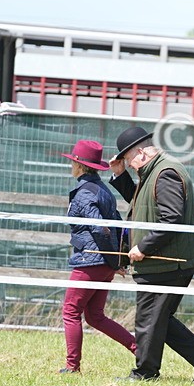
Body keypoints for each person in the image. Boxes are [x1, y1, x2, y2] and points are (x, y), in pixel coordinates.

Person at [107, 126, 194, 383]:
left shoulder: (165, 173)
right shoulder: (154, 171)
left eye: (128, 159)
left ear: (141, 153)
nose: (129, 165)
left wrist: (143, 247)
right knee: (158, 319)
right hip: (165, 262)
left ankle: (145, 372)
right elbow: (141, 203)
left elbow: (171, 220)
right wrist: (120, 175)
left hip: (167, 263)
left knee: (149, 319)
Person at [60, 139, 138, 373]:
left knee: (70, 311)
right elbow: (116, 225)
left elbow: (100, 229)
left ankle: (72, 366)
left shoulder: (85, 193)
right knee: (95, 316)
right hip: (104, 262)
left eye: (73, 162)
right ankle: (139, 349)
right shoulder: (102, 190)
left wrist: (114, 261)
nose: (71, 166)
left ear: (79, 166)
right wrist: (116, 260)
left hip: (91, 262)